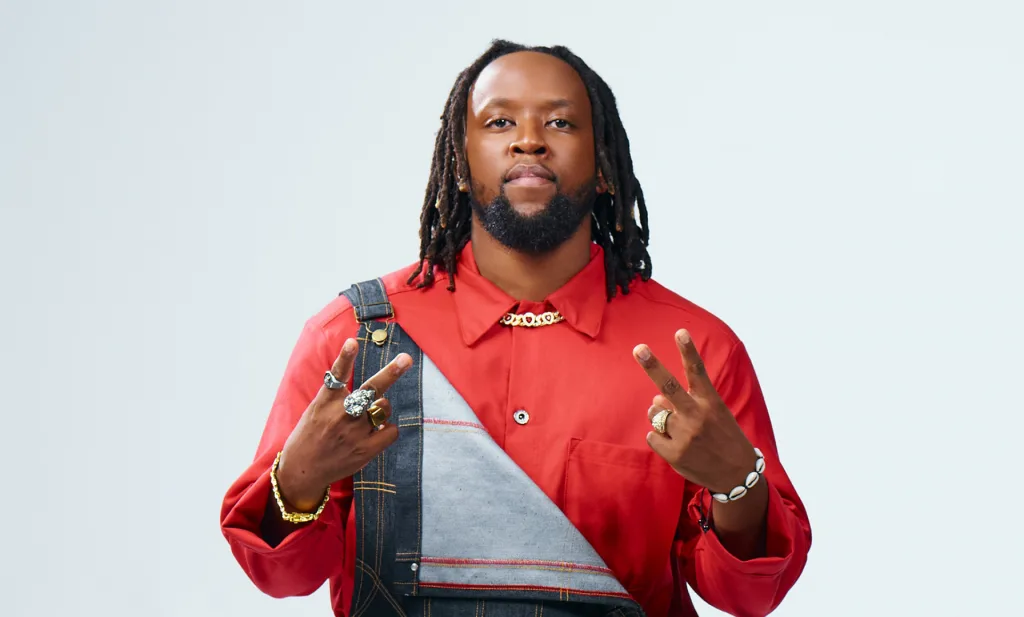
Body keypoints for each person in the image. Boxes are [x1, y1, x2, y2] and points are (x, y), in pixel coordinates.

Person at [220, 40, 811, 617]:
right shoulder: (355, 338)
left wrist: (738, 485)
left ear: (604, 169)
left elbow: (750, 596)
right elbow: (282, 576)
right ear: (460, 165)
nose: (529, 140)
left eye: (560, 122)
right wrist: (297, 481)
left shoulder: (695, 354)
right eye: (500, 122)